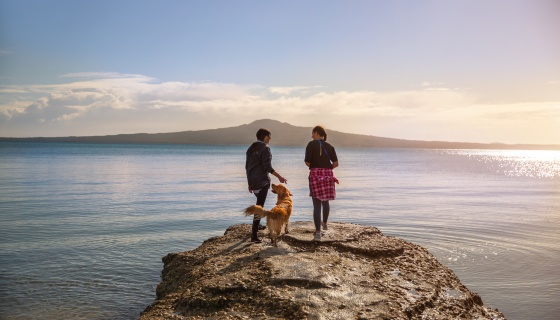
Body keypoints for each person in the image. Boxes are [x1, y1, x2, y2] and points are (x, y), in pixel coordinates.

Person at [246, 128, 288, 243]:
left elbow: (247, 166)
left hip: (253, 182)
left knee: (259, 204)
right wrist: (279, 177)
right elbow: (267, 167)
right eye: (269, 136)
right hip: (262, 182)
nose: (270, 138)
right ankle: (254, 235)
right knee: (259, 207)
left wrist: (249, 183)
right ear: (264, 137)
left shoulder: (250, 149)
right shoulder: (265, 148)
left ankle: (258, 225)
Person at [305, 125, 339, 241]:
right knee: (325, 200)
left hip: (315, 174)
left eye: (313, 133)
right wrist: (327, 169)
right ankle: (324, 223)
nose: (312, 135)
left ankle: (318, 233)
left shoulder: (311, 144)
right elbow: (335, 163)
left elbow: (307, 162)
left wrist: (317, 168)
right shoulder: (329, 146)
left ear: (318, 133)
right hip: (328, 175)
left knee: (316, 203)